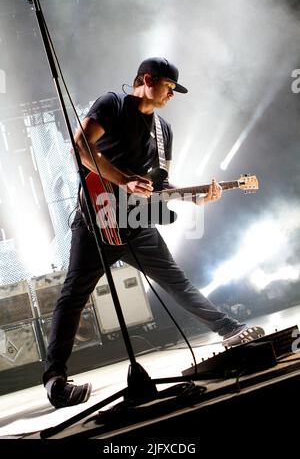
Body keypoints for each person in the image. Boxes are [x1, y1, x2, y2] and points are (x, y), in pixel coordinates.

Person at [43, 57, 264, 408]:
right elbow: (81, 147)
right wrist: (123, 180)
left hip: (138, 223)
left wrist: (198, 197)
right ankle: (55, 379)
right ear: (148, 79)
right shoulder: (112, 105)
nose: (172, 95)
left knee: (177, 281)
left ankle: (228, 329)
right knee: (74, 295)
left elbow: (160, 185)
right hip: (97, 220)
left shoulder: (164, 132)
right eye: (169, 87)